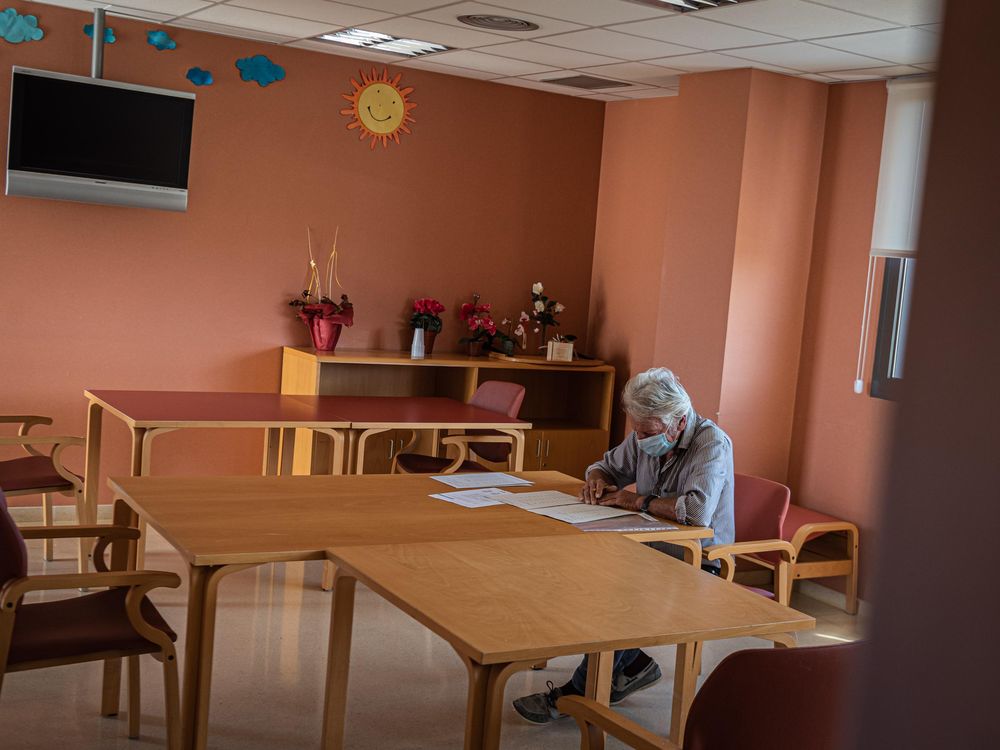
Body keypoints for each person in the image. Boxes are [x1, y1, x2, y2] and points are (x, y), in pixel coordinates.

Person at [512, 367, 735, 725]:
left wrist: (636, 501)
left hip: (699, 560)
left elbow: (695, 511)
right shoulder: (646, 435)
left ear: (677, 422)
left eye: (648, 432)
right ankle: (632, 664)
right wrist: (597, 482)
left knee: (617, 600)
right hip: (648, 548)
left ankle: (576, 694)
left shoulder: (711, 444)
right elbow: (605, 466)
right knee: (577, 575)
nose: (641, 439)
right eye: (636, 430)